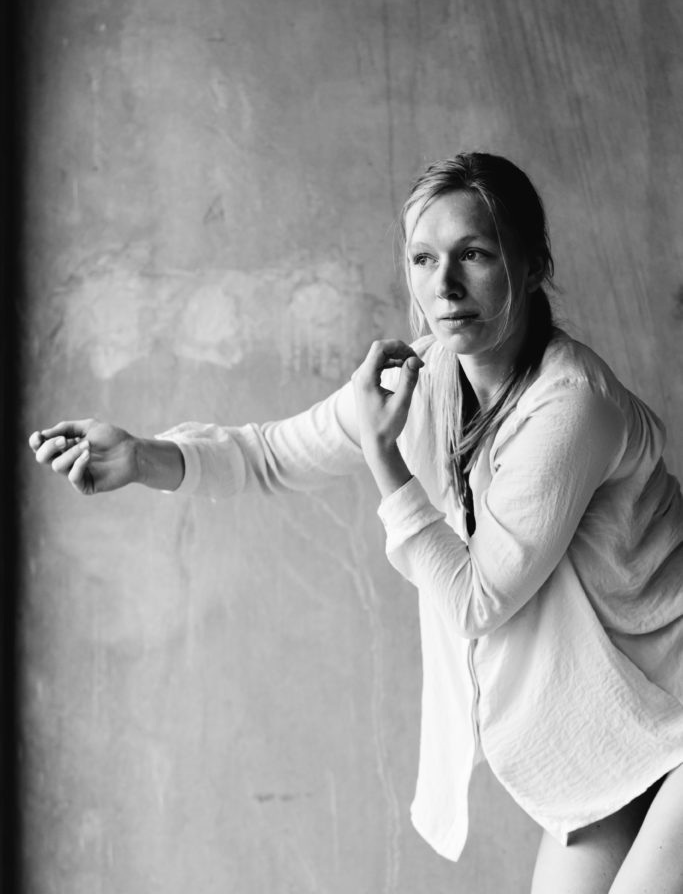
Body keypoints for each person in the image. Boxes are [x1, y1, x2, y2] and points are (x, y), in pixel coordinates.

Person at [29, 153, 683, 894]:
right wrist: (145, 455)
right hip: (619, 734)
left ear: (531, 266)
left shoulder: (570, 405)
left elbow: (477, 600)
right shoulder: (424, 378)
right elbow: (272, 452)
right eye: (422, 258)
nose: (444, 285)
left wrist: (385, 459)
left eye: (473, 253)